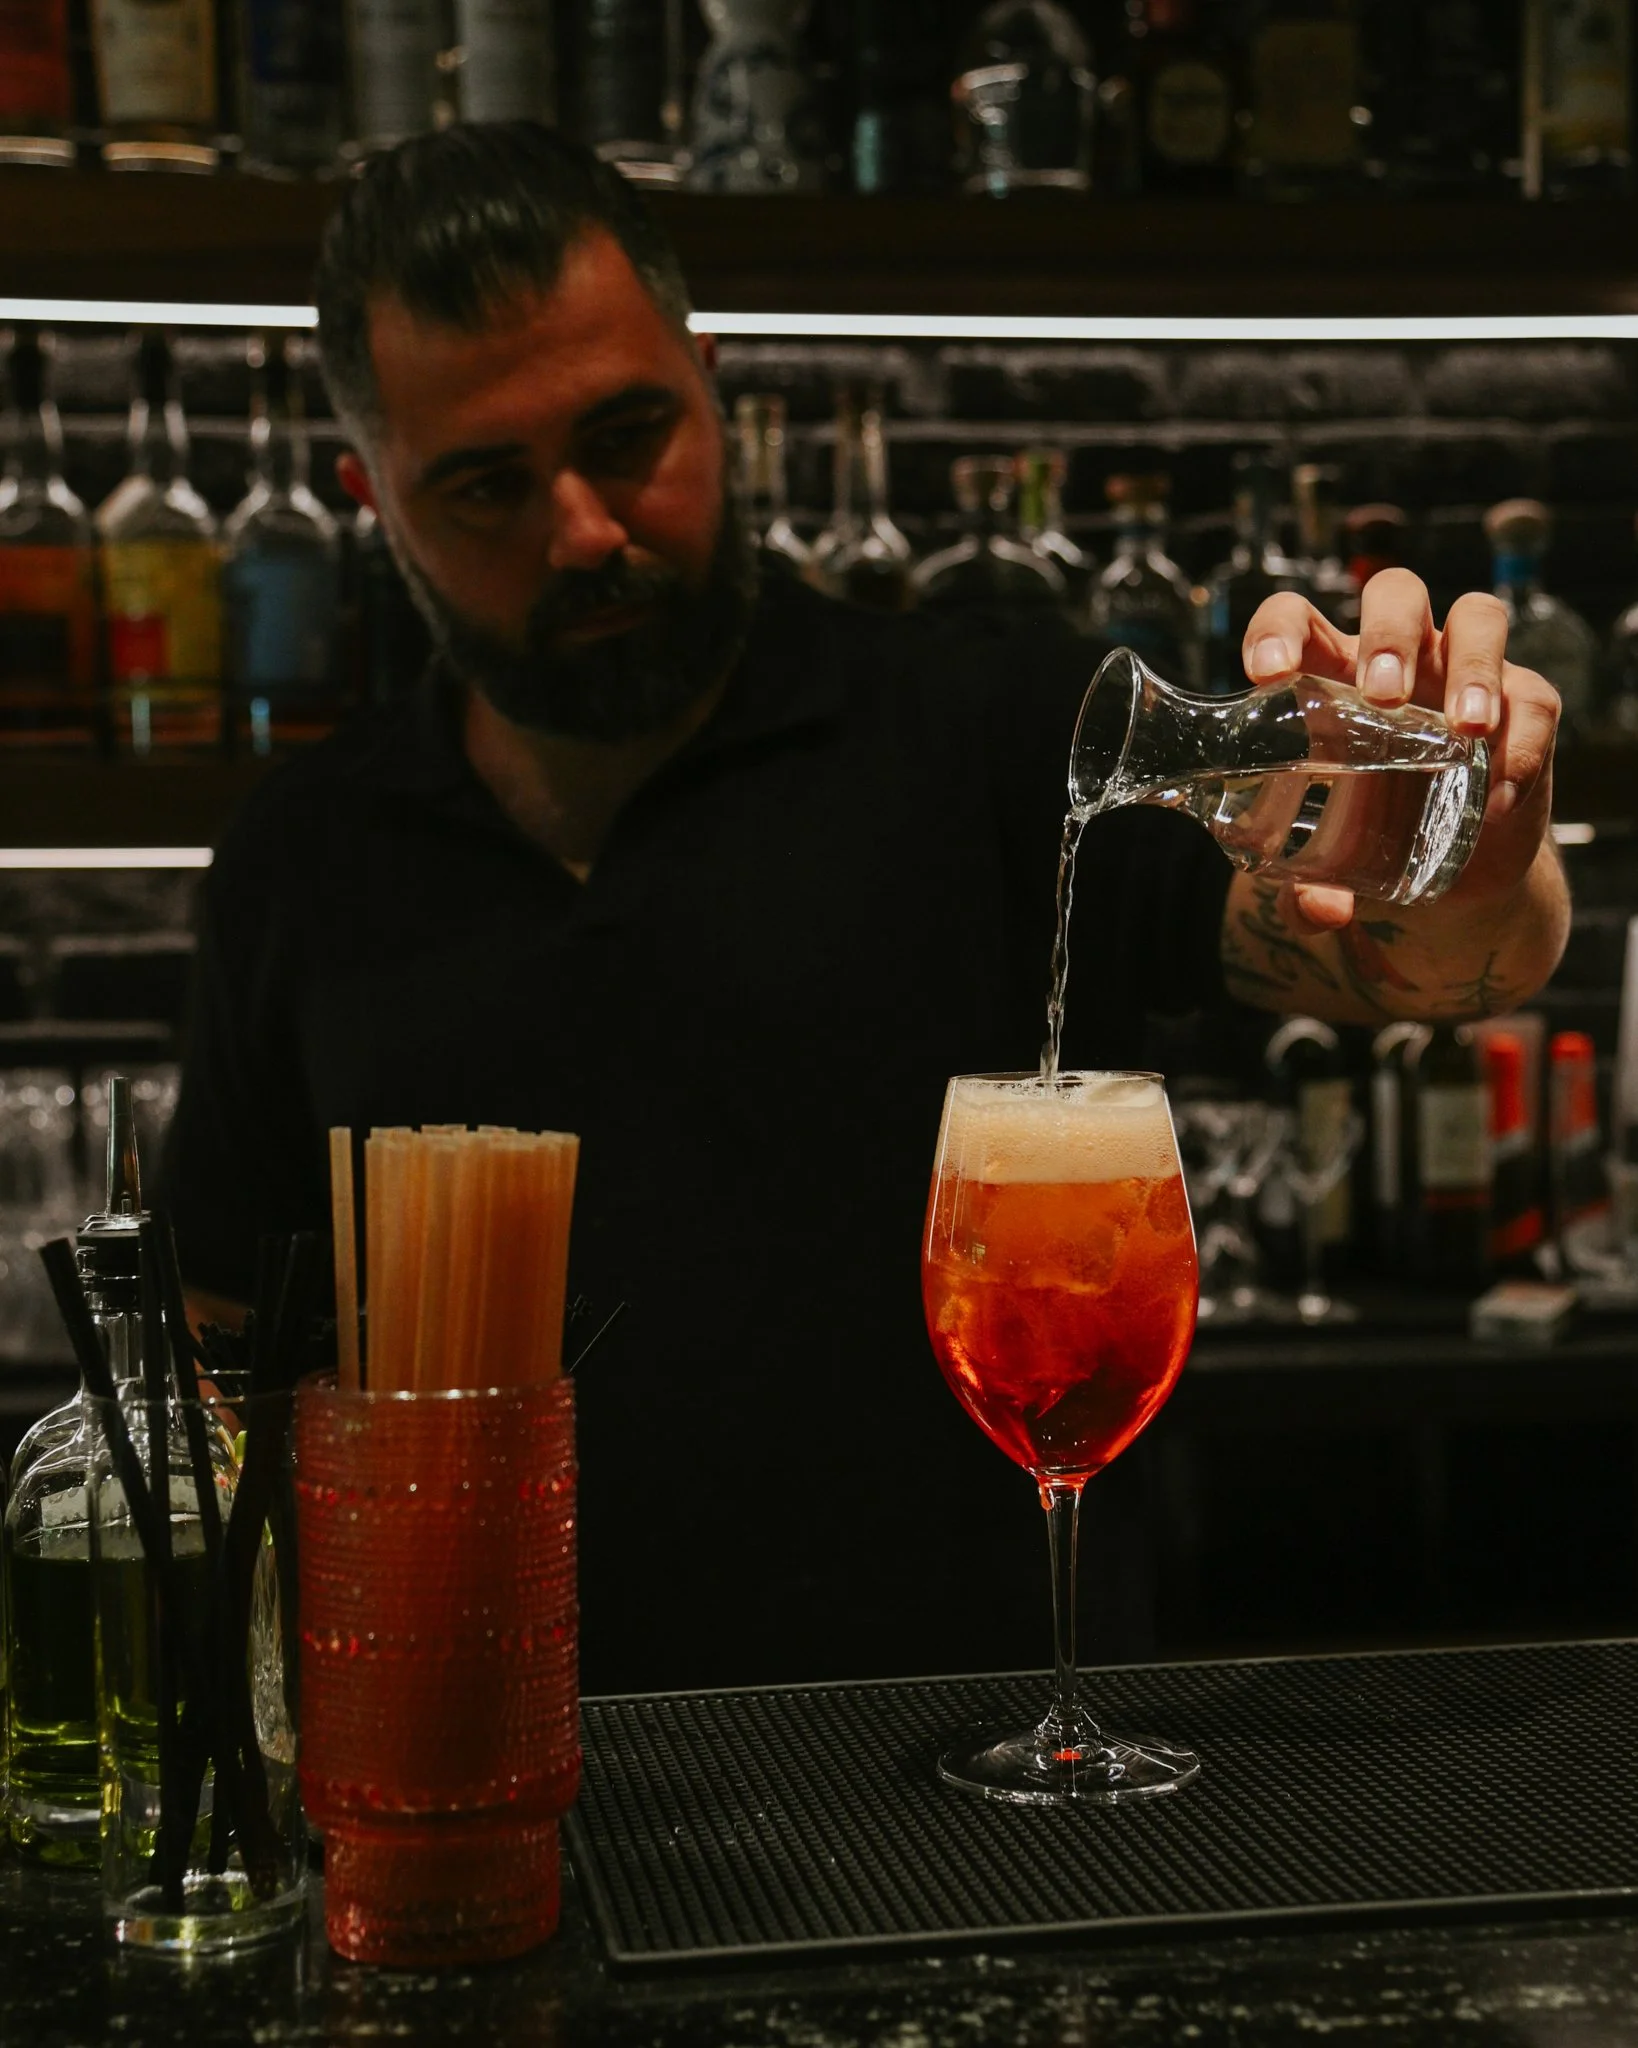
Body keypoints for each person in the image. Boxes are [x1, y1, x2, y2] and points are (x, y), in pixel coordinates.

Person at [163, 125, 1568, 1694]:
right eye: (487, 485)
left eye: (628, 434)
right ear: (369, 495)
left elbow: (1422, 967)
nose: (584, 530)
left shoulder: (992, 736)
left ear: (707, 378)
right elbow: (222, 1375)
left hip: (976, 1807)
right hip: (486, 1805)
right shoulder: (305, 859)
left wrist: (1470, 854)